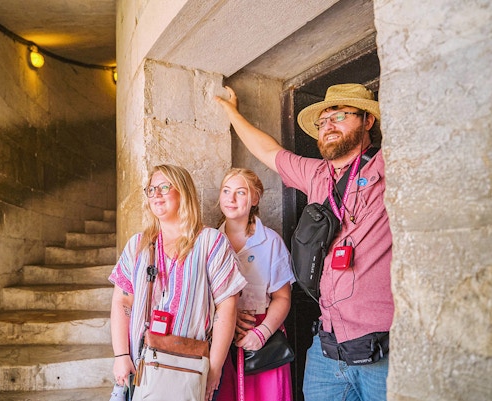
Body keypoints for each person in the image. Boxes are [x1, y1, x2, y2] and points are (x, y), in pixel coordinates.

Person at [215, 84, 393, 401]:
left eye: (339, 116)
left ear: (367, 121)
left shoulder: (389, 166)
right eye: (323, 121)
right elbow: (267, 151)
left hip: (382, 351)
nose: (328, 126)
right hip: (327, 348)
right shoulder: (316, 175)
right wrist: (231, 112)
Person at [108, 164, 247, 401]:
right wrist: (121, 355)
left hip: (191, 368)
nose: (156, 195)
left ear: (183, 191)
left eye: (164, 187)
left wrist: (214, 369)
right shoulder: (138, 245)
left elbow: (227, 307)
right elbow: (122, 300)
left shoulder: (211, 243)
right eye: (151, 190)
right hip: (143, 365)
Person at [216, 168, 295, 401]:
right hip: (221, 337)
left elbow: (282, 297)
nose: (231, 199)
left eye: (240, 192)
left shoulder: (270, 241)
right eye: (226, 191)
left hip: (263, 338)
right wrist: (227, 316)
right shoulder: (210, 240)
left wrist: (262, 333)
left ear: (255, 198)